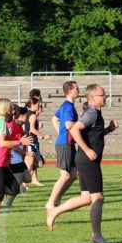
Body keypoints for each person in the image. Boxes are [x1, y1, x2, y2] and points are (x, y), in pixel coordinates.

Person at [46, 84, 118, 243]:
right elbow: (74, 130)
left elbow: (93, 135)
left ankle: (55, 211)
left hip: (85, 160)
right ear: (92, 98)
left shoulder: (95, 113)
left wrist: (109, 129)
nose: (105, 97)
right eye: (102, 95)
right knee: (97, 197)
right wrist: (87, 150)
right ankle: (97, 235)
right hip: (87, 160)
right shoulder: (91, 113)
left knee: (87, 198)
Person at [0, 98, 33, 230]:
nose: (13, 109)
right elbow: (2, 143)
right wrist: (19, 141)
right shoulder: (2, 122)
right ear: (5, 109)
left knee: (14, 189)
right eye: (10, 107)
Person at [45, 81, 80, 210]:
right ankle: (50, 202)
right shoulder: (68, 107)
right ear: (70, 91)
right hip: (65, 143)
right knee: (65, 175)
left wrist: (60, 132)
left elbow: (54, 119)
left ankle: (57, 198)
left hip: (67, 142)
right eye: (77, 88)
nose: (79, 91)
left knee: (75, 173)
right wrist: (83, 127)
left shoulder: (66, 105)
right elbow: (68, 125)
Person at [24, 91, 50, 187]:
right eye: (37, 105)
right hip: (30, 141)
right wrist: (44, 135)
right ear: (33, 105)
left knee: (40, 163)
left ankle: (26, 180)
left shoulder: (32, 114)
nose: (39, 106)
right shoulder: (32, 115)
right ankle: (23, 184)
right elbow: (32, 129)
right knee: (29, 164)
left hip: (33, 142)